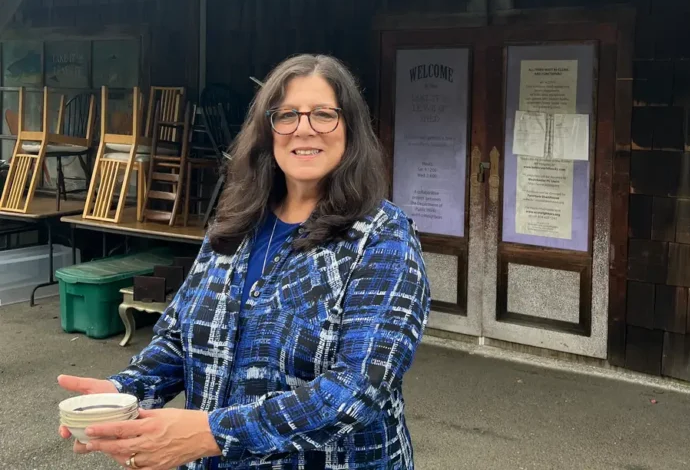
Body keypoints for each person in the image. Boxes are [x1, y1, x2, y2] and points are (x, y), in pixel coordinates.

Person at [58, 54, 431, 470]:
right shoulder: (236, 223)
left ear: (350, 129)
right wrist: (123, 393)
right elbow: (178, 339)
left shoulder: (381, 237)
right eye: (286, 114)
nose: (303, 128)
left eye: (323, 114)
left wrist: (211, 433)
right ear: (267, 131)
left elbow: (358, 389)